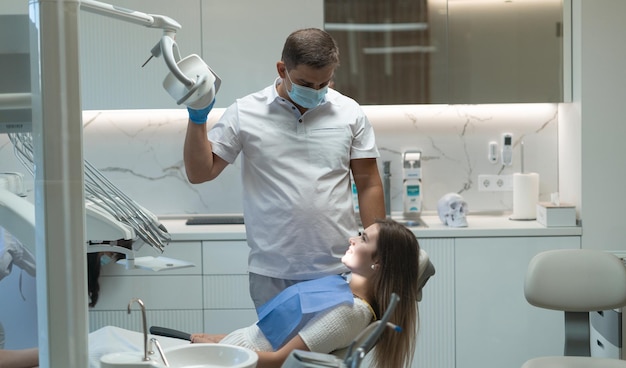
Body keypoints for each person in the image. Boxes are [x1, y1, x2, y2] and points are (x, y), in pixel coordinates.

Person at [183, 28, 386, 308]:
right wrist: (197, 118)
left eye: (323, 84)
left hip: (338, 270)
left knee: (335, 350)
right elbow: (200, 172)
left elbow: (368, 183)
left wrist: (379, 251)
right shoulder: (245, 112)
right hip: (272, 274)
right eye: (305, 83)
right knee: (276, 352)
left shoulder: (349, 113)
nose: (316, 92)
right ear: (282, 69)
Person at [190, 218, 420, 368]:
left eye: (364, 239)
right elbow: (266, 336)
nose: (352, 239)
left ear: (378, 262)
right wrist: (217, 340)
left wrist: (217, 352)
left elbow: (282, 361)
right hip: (235, 353)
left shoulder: (349, 312)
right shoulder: (342, 288)